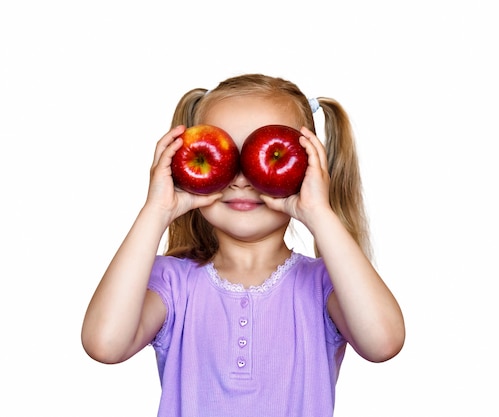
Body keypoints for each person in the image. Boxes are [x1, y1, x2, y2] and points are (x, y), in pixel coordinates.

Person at [81, 73, 405, 417]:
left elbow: (382, 342)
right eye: (227, 159)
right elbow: (105, 344)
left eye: (262, 157)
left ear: (309, 170)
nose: (240, 180)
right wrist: (156, 211)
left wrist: (319, 213)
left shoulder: (327, 285)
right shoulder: (173, 284)